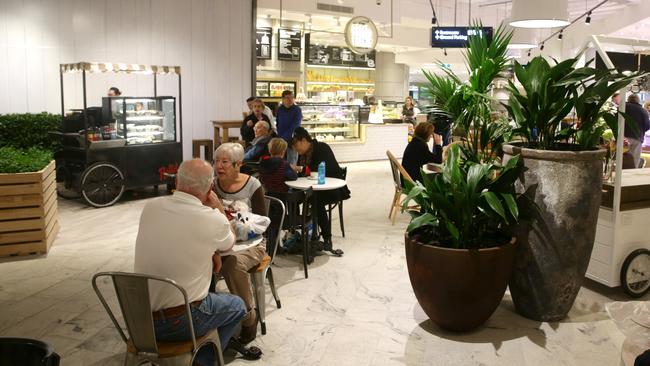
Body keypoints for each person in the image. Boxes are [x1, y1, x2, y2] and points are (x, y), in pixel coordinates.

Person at [134, 159, 246, 366]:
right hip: (180, 321)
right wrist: (219, 208)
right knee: (238, 306)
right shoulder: (212, 218)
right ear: (210, 187)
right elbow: (229, 242)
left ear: (177, 180)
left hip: (139, 320)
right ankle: (203, 361)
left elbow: (176, 238)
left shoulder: (151, 207)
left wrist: (211, 252)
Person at [213, 143, 267, 344]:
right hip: (220, 243)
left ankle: (248, 317)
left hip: (252, 244)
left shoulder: (253, 185)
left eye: (225, 162)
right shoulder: (212, 185)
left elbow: (262, 223)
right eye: (217, 161)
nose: (219, 166)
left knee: (232, 265)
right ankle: (206, 316)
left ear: (238, 165)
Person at [292, 127, 350, 256]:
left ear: (303, 140)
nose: (296, 150)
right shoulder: (303, 154)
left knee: (316, 201)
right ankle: (297, 231)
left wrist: (300, 169)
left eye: (296, 146)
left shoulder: (322, 148)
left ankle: (327, 238)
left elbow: (317, 171)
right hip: (311, 188)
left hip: (331, 189)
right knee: (292, 196)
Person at [276, 90, 302, 164]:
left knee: (292, 161)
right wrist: (280, 138)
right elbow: (278, 124)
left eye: (292, 97)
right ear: (283, 99)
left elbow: (296, 125)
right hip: (281, 140)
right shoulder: (280, 109)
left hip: (292, 140)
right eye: (287, 98)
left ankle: (292, 175)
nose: (290, 100)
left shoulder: (297, 110)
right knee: (281, 162)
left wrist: (284, 138)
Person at [624, 94, 650, 168]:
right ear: (638, 101)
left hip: (623, 137)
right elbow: (648, 126)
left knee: (621, 158)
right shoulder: (643, 111)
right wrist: (640, 130)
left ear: (628, 100)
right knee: (635, 160)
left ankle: (620, 175)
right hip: (637, 138)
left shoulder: (623, 107)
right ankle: (631, 176)